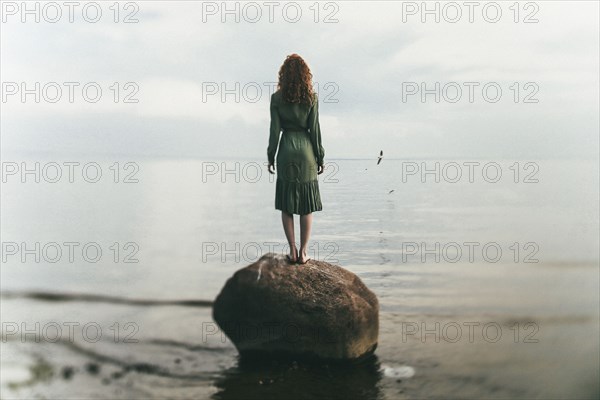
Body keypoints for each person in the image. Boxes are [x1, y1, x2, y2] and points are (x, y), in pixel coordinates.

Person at [267, 54, 325, 265]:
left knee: (287, 204)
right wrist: (320, 156)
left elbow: (274, 131)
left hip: (286, 149)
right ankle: (304, 253)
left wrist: (270, 156)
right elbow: (315, 130)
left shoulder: (276, 99)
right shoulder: (312, 98)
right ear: (305, 75)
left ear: (283, 75)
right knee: (306, 205)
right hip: (307, 150)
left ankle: (291, 251)